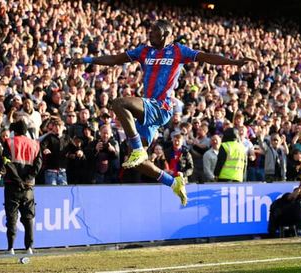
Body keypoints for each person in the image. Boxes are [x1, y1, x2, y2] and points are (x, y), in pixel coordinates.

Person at [73, 19, 254, 205]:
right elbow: (115, 59)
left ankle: (137, 148)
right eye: (149, 31)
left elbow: (206, 56)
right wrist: (87, 59)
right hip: (148, 108)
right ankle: (173, 182)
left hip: (161, 106)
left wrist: (233, 62)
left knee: (119, 104)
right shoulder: (144, 51)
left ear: (166, 34)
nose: (149, 33)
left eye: (154, 31)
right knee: (136, 161)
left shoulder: (178, 50)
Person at [2, 119, 43, 255]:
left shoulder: (9, 142)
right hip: (28, 187)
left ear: (15, 131)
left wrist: (18, 180)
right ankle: (29, 248)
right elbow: (38, 164)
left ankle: (11, 248)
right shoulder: (35, 144)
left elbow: (7, 162)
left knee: (11, 217)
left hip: (12, 185)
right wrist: (27, 179)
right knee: (28, 218)